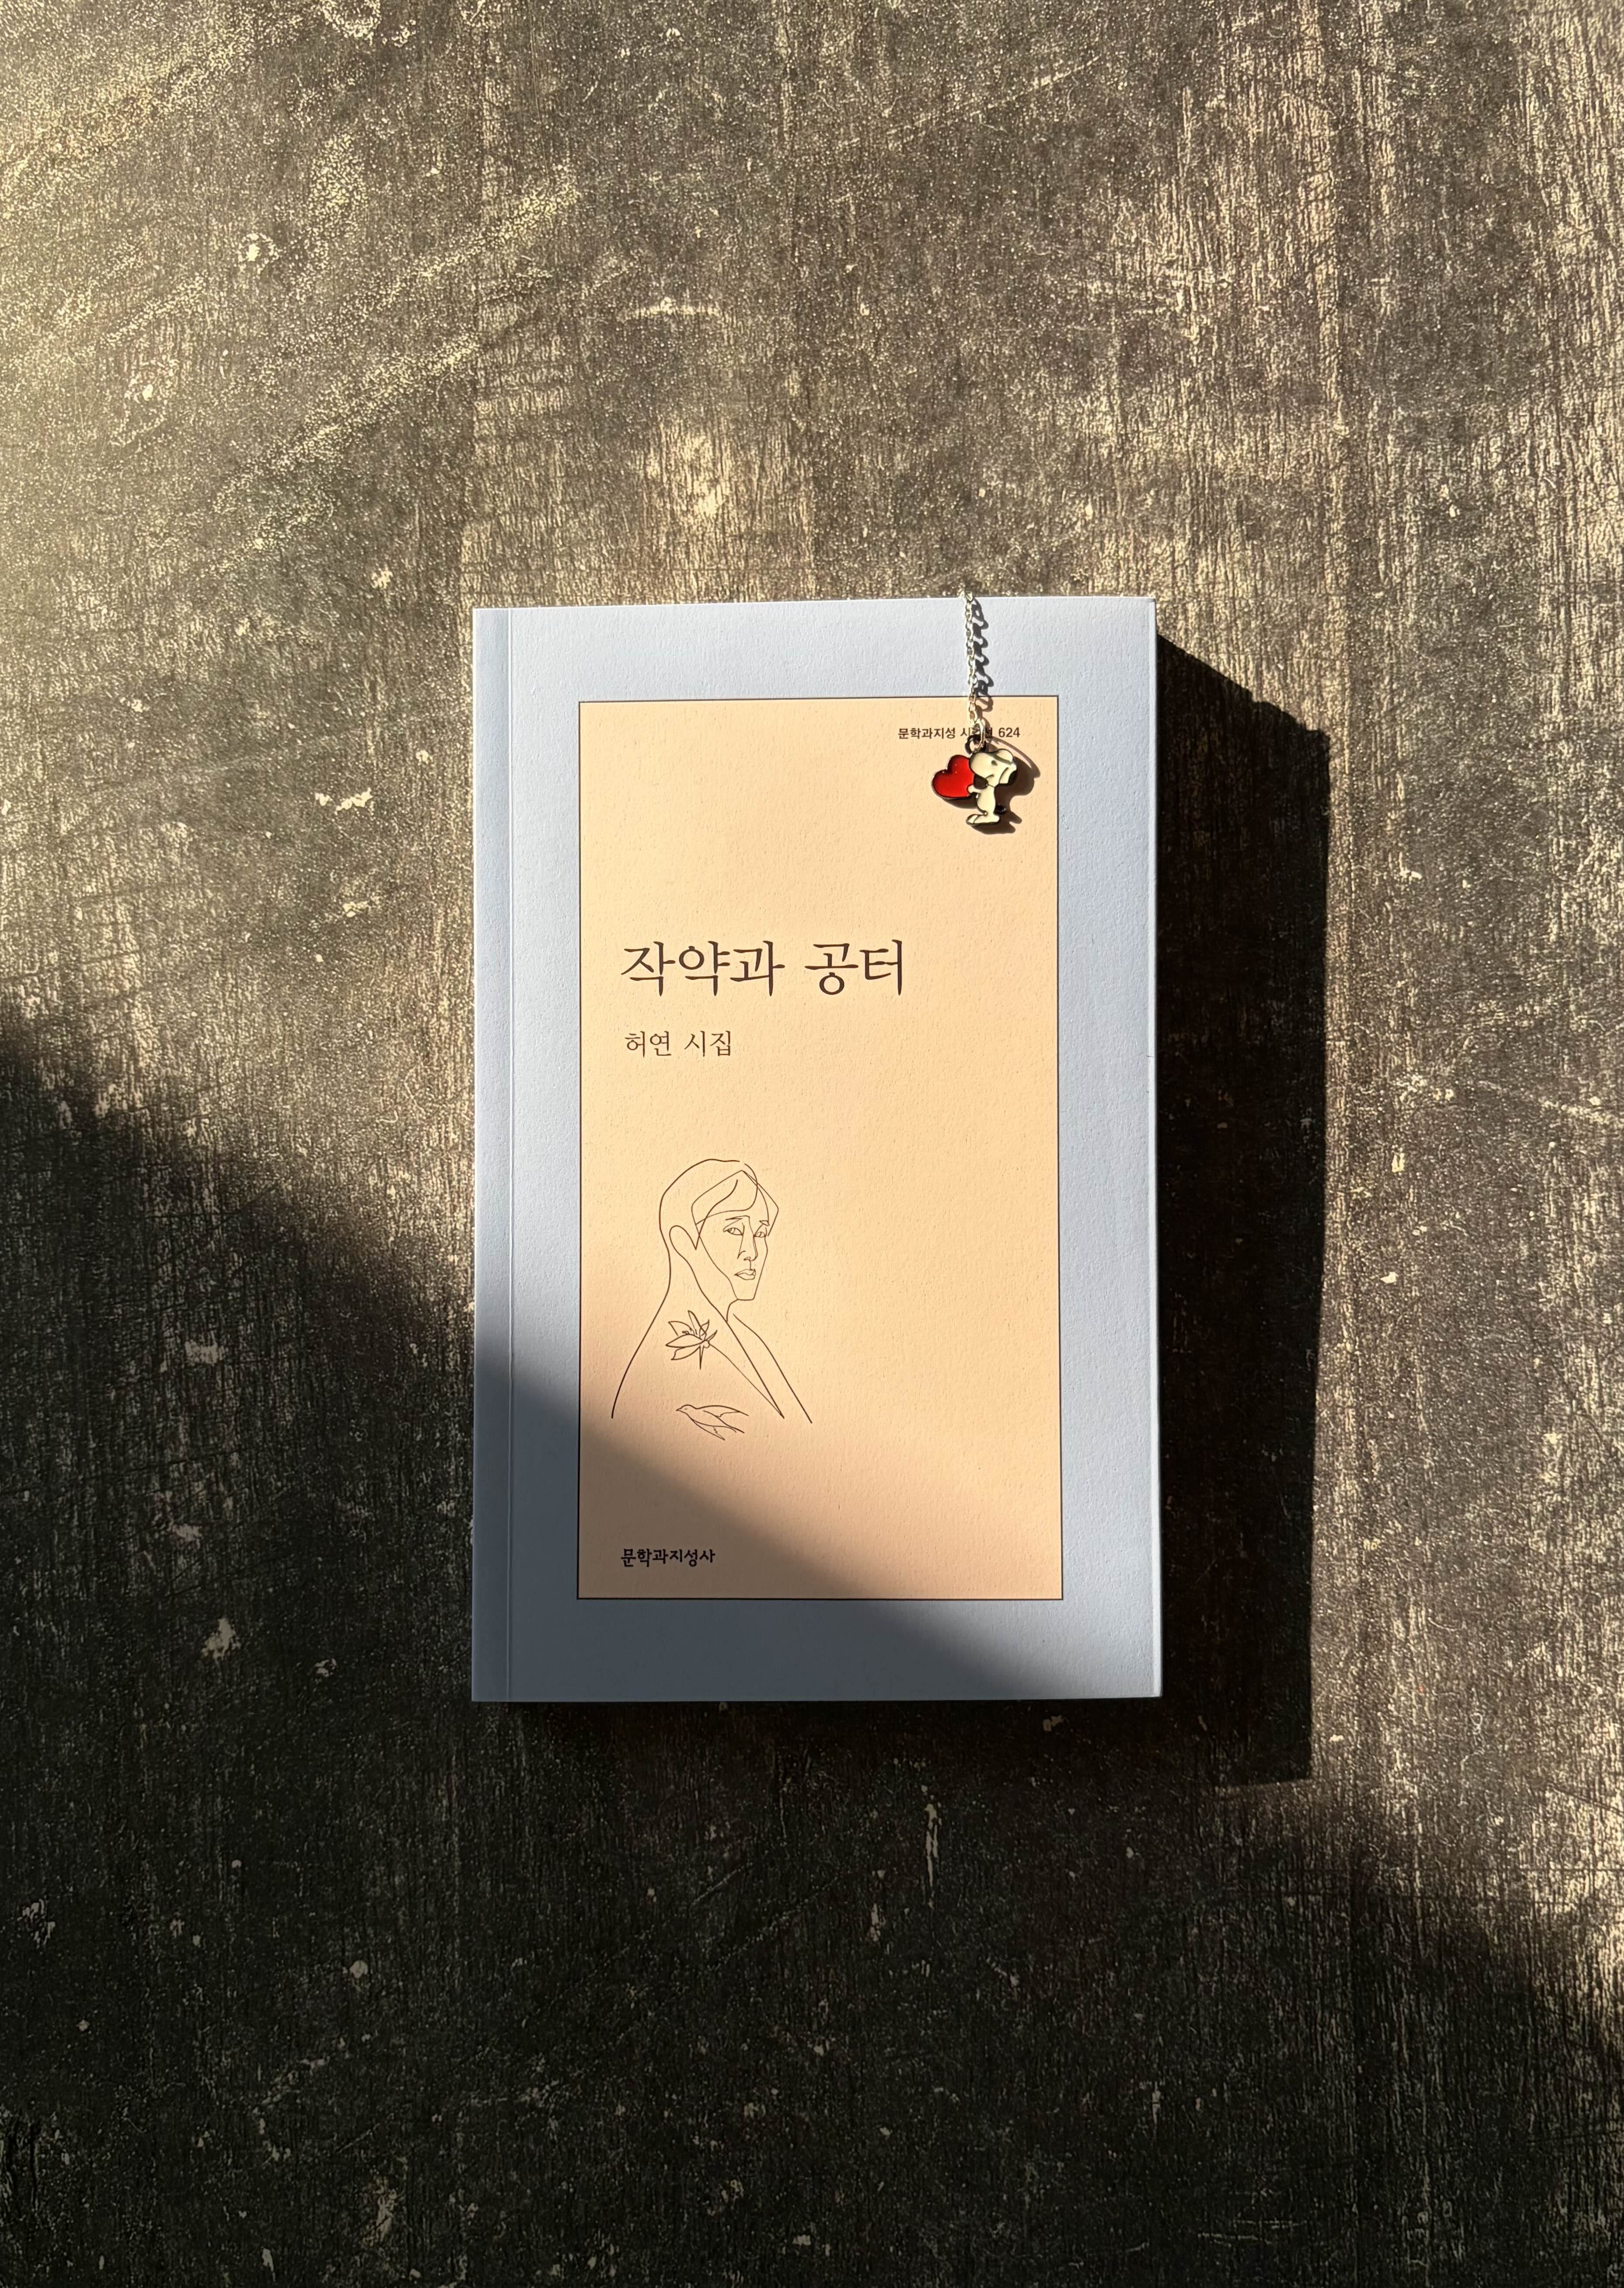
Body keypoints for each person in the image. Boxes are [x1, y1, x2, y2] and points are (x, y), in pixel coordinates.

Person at [611, 1159, 809, 1435]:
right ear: (683, 1242)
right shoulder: (670, 1363)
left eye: (761, 1233)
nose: (752, 1251)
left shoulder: (748, 1340)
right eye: (735, 1230)